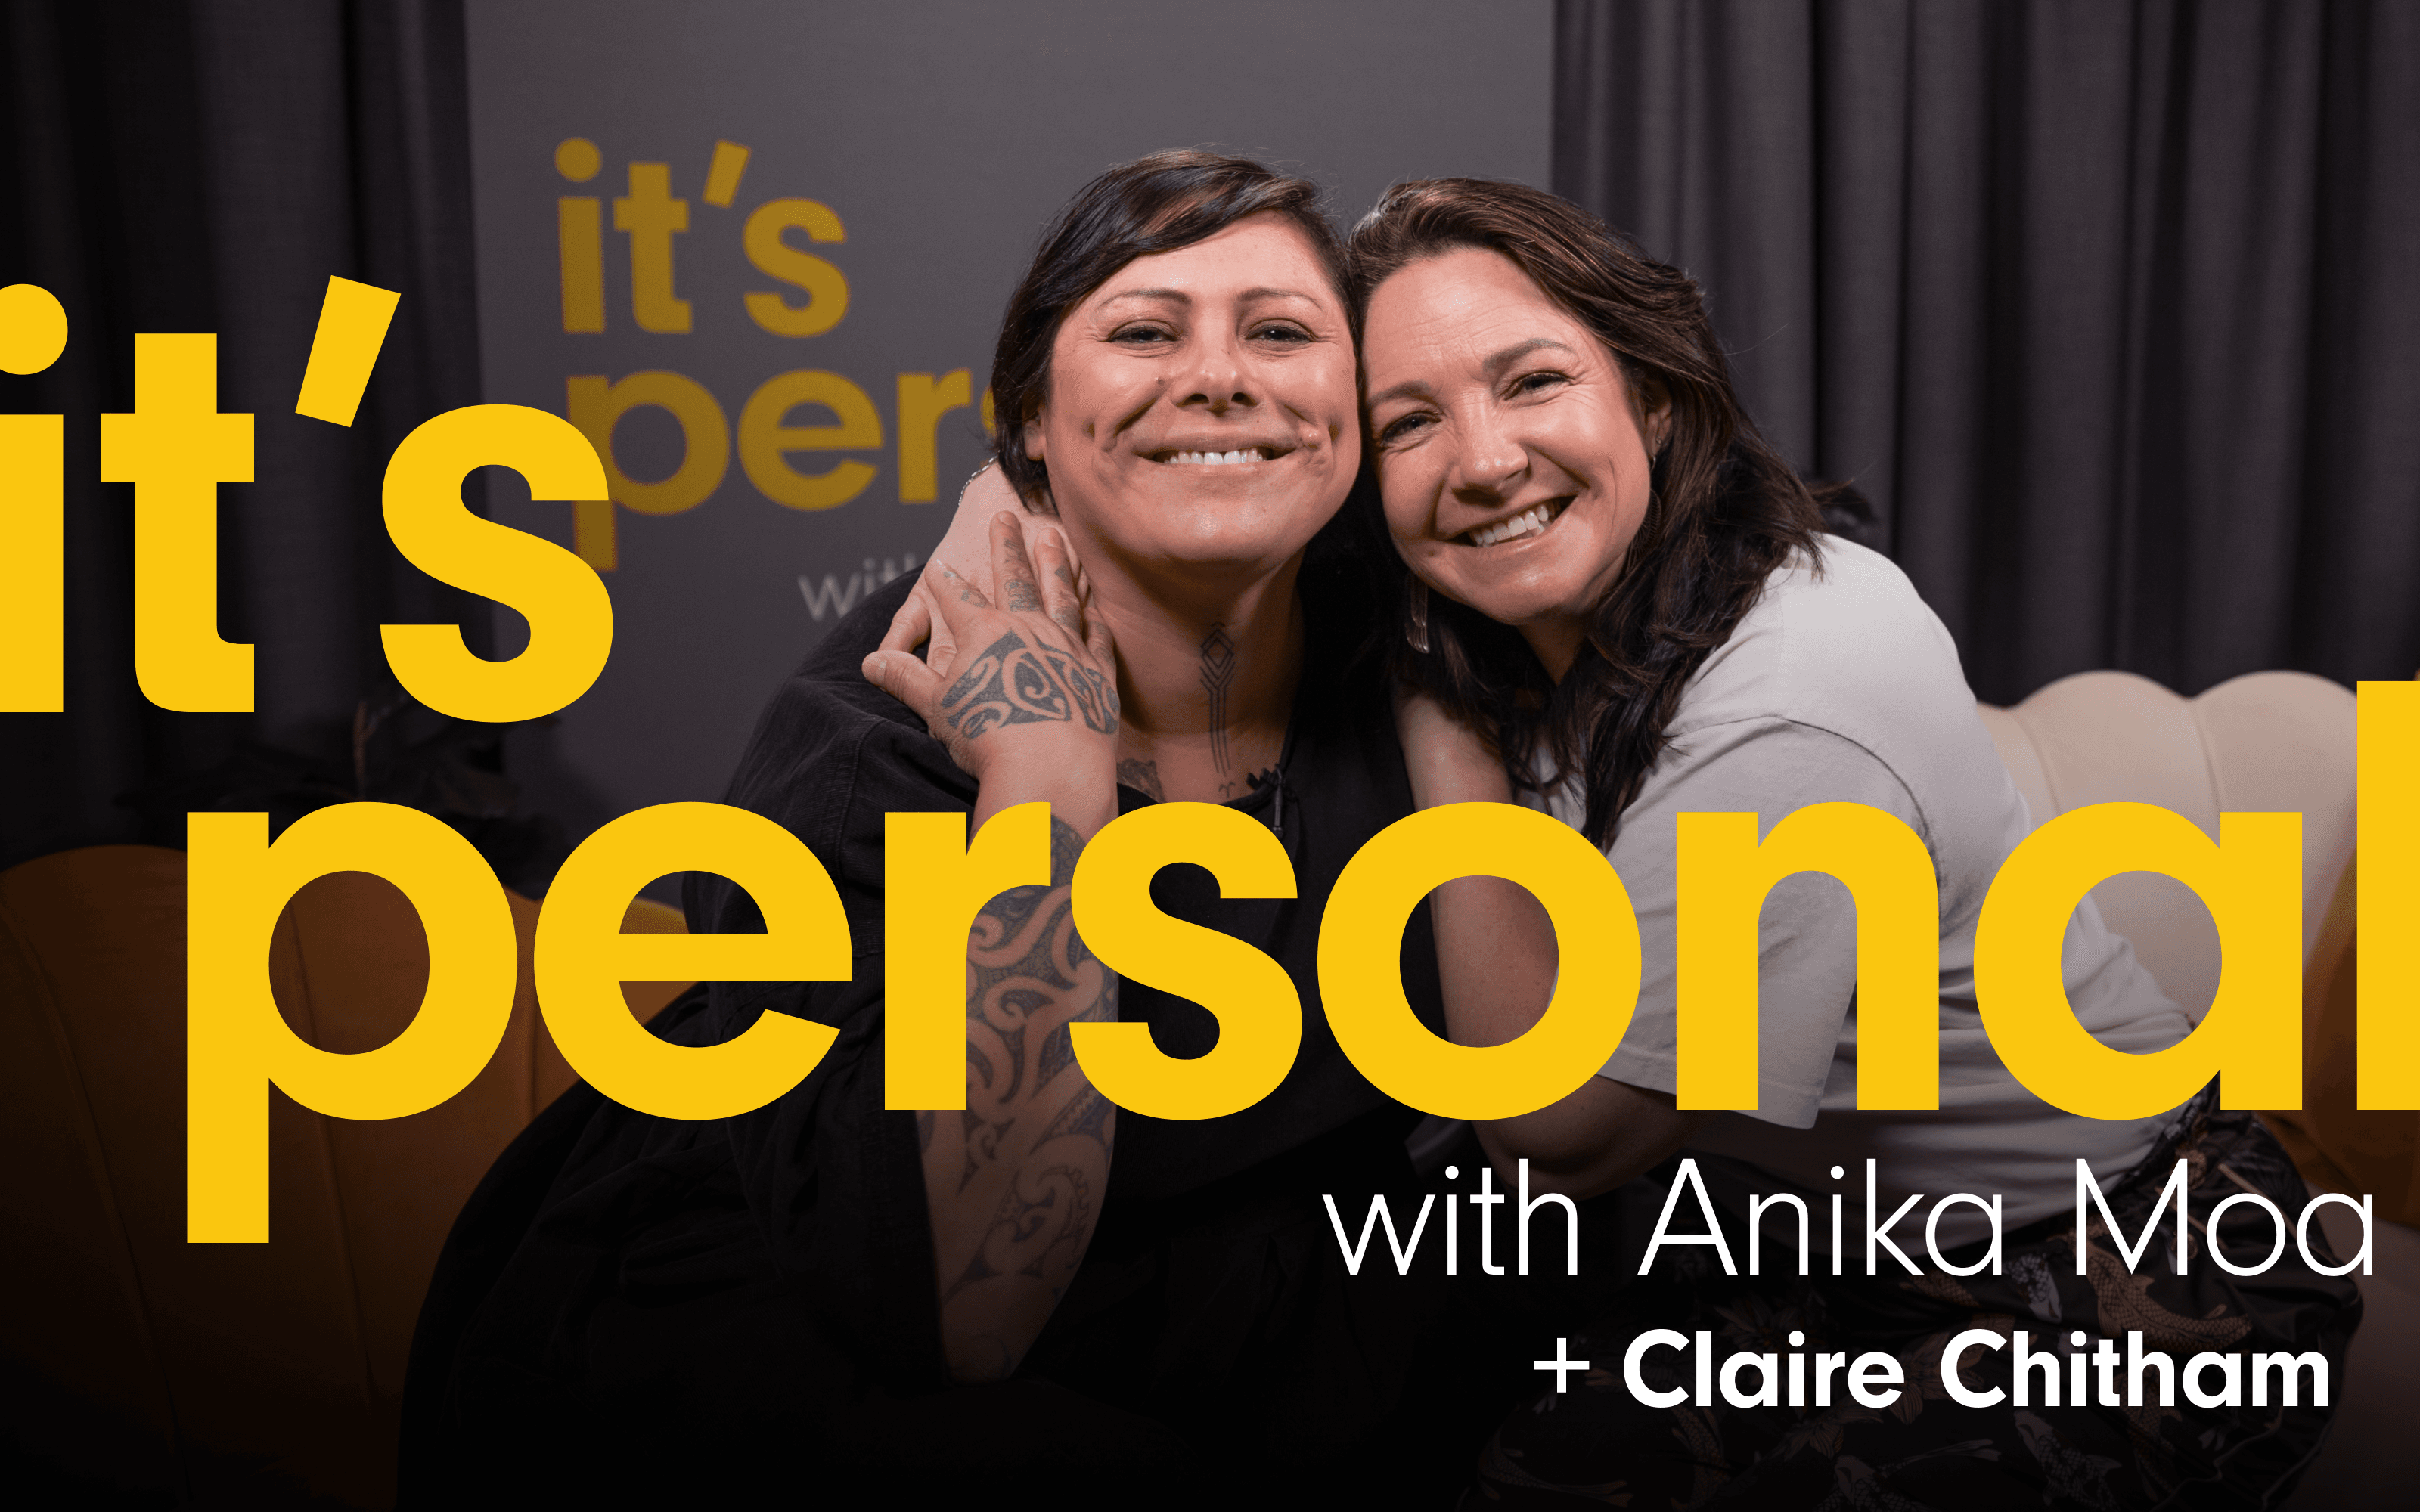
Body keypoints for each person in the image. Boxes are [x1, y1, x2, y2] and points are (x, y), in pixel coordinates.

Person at [399, 150, 1460, 1503]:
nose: (1221, 376)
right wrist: (1046, 773)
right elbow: (971, 1307)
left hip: (1211, 1310)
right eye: (1145, 330)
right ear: (1026, 419)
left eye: (1282, 331)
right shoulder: (861, 751)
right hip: (812, 1349)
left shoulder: (1420, 637)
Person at [1348, 177, 2359, 1508]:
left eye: (1532, 380)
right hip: (1822, 1246)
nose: (1480, 461)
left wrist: (1433, 729)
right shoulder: (1553, 634)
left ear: (1651, 393)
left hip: (2133, 1270)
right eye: (1409, 423)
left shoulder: (1790, 695)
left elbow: (1561, 1139)